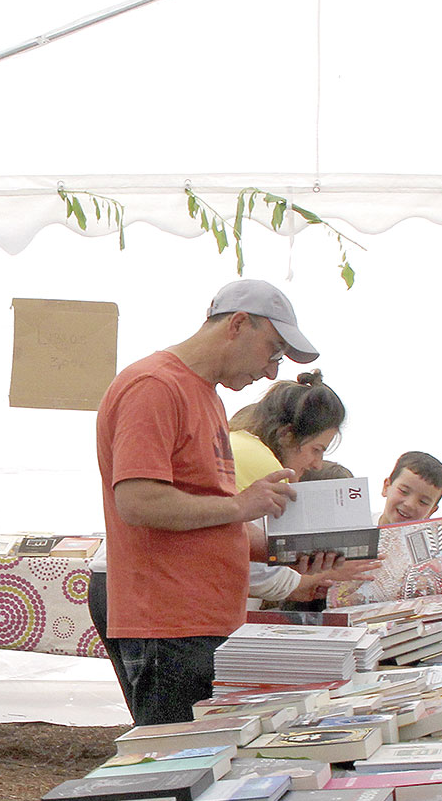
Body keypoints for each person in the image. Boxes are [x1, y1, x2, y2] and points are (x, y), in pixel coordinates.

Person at [93, 279, 315, 725]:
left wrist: (288, 550)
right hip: (170, 623)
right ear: (237, 324)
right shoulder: (154, 386)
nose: (271, 372)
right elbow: (137, 502)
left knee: (198, 767)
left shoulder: (205, 395)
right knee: (174, 767)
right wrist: (243, 506)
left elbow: (210, 516)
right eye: (272, 352)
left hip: (198, 620)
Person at [227, 373, 378, 608]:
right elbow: (253, 570)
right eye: (316, 449)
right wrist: (309, 575)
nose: (317, 464)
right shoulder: (267, 467)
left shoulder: (236, 442)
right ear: (287, 436)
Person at [379, 450, 442, 525]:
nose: (410, 504)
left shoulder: (431, 536)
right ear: (386, 487)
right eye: (404, 491)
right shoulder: (365, 523)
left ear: (431, 511)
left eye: (423, 502)